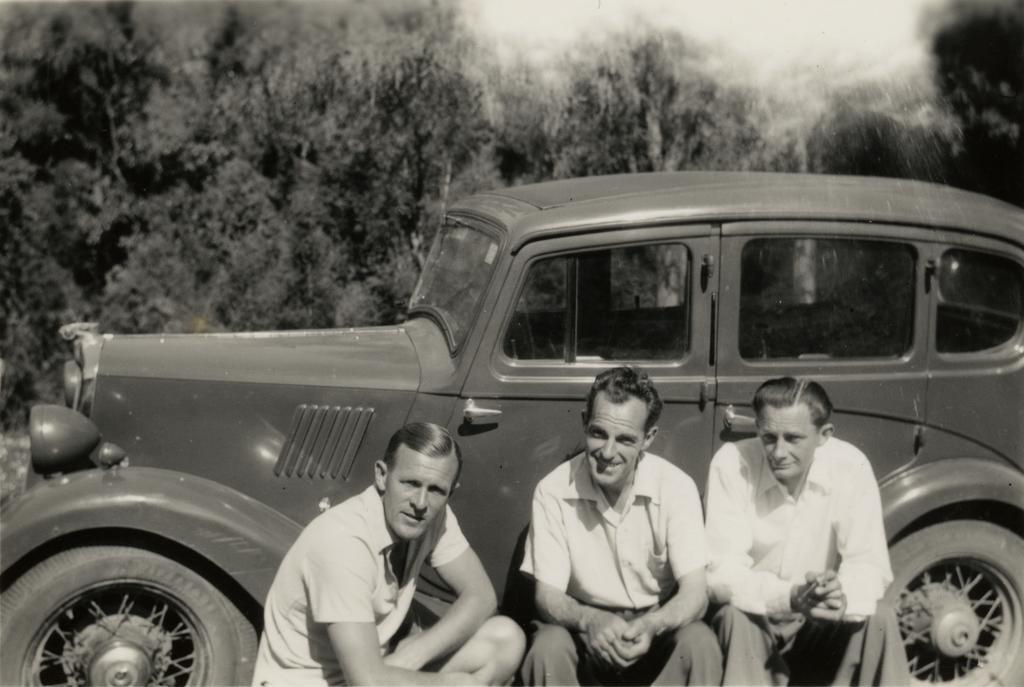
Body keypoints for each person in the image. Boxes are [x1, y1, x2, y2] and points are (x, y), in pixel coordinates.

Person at [253, 422, 525, 686]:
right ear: (382, 475)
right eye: (410, 483)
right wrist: (453, 683)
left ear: (450, 492)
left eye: (436, 490)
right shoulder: (343, 541)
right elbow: (366, 682)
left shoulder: (432, 513)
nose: (420, 503)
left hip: (379, 669)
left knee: (505, 638)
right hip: (316, 681)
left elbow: (481, 596)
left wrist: (413, 654)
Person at [519, 366, 722, 686]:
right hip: (582, 628)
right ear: (584, 421)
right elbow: (547, 597)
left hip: (654, 627)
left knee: (699, 644)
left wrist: (653, 625)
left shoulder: (676, 487)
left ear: (648, 438)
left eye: (625, 439)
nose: (608, 452)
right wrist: (590, 620)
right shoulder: (553, 490)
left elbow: (696, 593)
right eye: (598, 433)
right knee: (548, 647)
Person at [705, 377, 910, 686]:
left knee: (878, 616)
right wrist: (790, 597)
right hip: (754, 617)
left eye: (793, 438)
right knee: (735, 617)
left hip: (817, 619)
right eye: (769, 437)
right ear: (757, 428)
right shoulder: (732, 463)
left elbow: (869, 564)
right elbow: (721, 575)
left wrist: (840, 596)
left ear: (824, 435)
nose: (778, 452)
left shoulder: (850, 465)